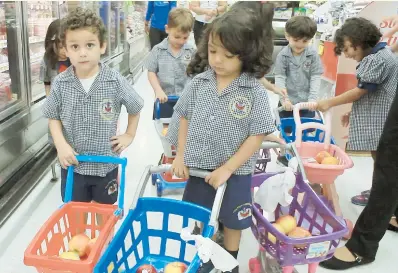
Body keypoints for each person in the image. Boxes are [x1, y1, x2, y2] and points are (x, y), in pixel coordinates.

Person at [166, 3, 277, 273]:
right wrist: (180, 155)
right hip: (198, 167)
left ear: (246, 55)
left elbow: (257, 133)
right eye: (213, 51)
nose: (217, 60)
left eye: (227, 55)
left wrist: (228, 168)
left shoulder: (253, 91)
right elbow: (183, 116)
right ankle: (202, 258)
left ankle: (229, 263)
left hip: (235, 172)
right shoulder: (199, 83)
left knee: (233, 220)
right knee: (198, 214)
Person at [318, 16, 398, 271]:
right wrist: (353, 111)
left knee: (386, 170)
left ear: (354, 42)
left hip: (383, 122)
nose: (348, 55)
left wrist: (329, 102)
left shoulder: (377, 59)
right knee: (388, 170)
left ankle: (362, 246)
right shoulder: (385, 54)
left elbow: (363, 90)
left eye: (348, 49)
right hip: (384, 115)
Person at [42, 8, 143, 206]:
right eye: (75, 46)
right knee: (75, 212)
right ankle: (79, 237)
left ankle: (103, 239)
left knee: (104, 214)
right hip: (73, 165)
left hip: (106, 165)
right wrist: (61, 145)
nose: (83, 53)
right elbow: (52, 115)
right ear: (66, 49)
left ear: (102, 46)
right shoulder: (62, 83)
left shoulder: (114, 81)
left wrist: (129, 135)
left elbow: (135, 106)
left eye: (89, 45)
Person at [274, 15, 323, 166]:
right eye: (296, 40)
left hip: (306, 102)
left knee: (305, 130)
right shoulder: (283, 56)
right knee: (286, 130)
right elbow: (280, 78)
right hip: (288, 102)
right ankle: (284, 156)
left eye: (305, 41)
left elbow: (315, 76)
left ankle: (303, 156)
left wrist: (312, 99)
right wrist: (284, 99)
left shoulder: (313, 54)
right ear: (287, 36)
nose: (300, 44)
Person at [145, 7, 195, 120]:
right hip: (164, 99)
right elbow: (151, 72)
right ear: (167, 29)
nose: (181, 41)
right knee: (164, 130)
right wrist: (158, 90)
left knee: (184, 133)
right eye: (177, 37)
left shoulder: (192, 51)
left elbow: (196, 74)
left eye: (185, 38)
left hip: (186, 101)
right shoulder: (157, 50)